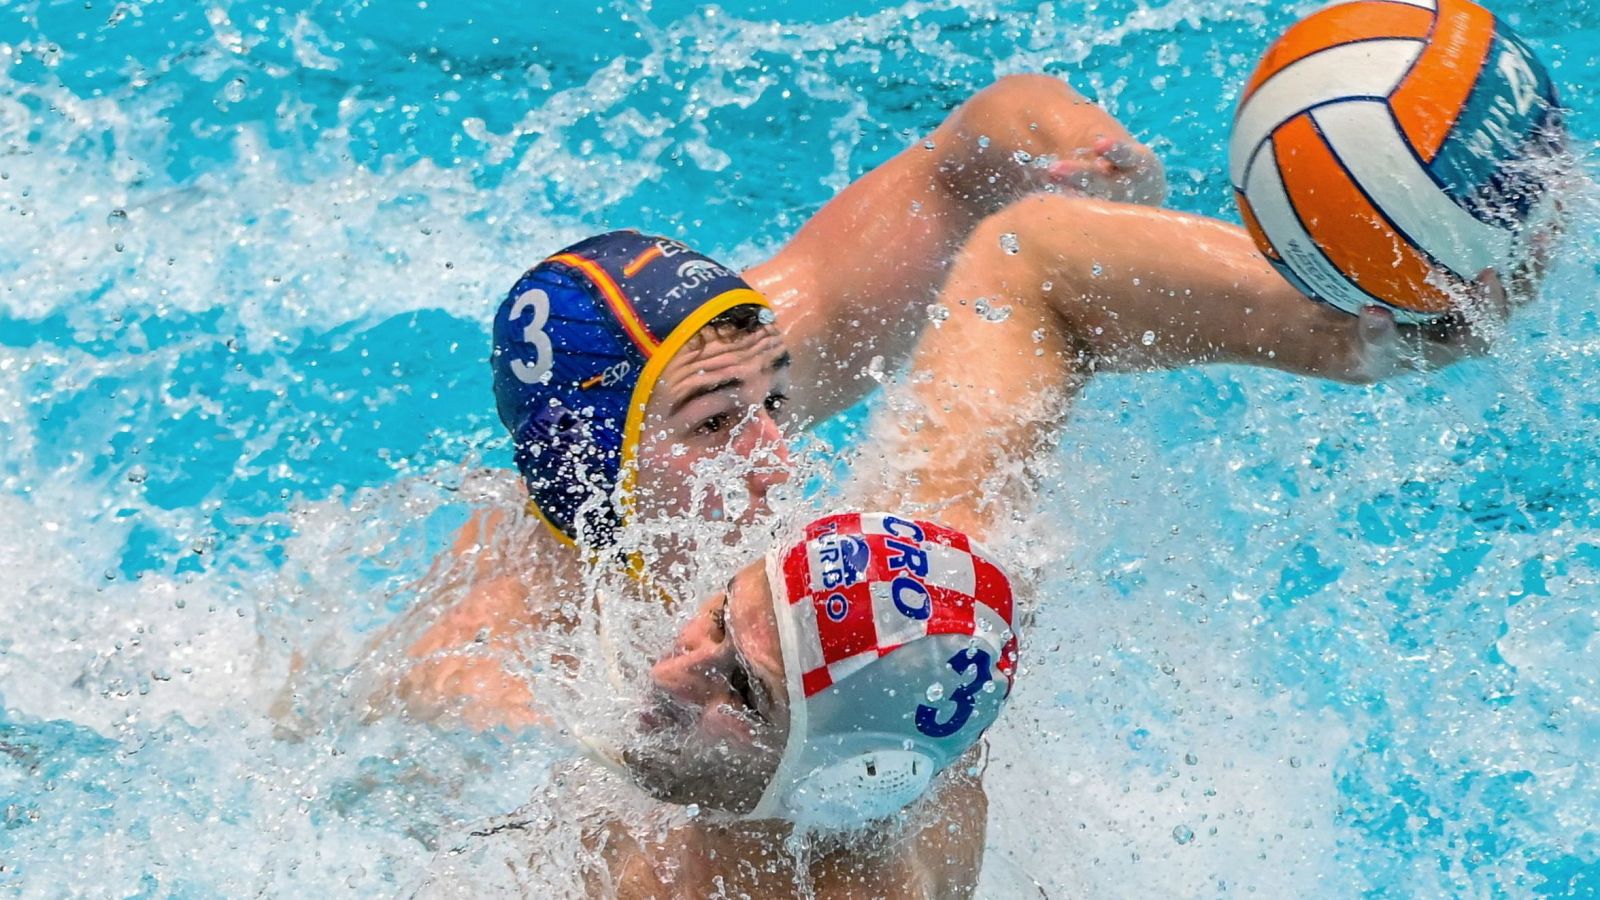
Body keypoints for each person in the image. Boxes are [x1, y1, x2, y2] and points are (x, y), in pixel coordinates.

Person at [374, 74, 1508, 732]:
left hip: (822, 654)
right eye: (718, 427)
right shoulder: (498, 641)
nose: (775, 458)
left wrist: (1077, 157)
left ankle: (1398, 323)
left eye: (780, 397)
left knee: (1042, 245)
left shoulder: (712, 361)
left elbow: (963, 156)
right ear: (594, 473)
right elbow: (466, 722)